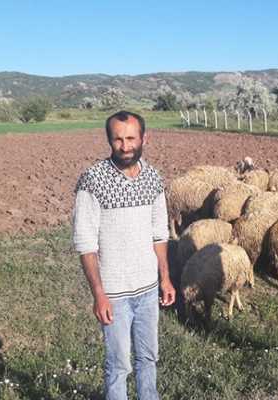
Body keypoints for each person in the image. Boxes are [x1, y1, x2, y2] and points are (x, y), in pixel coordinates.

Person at [73, 110, 175, 399]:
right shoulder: (92, 181)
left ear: (144, 138)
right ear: (109, 140)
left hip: (148, 289)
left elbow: (159, 233)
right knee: (118, 366)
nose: (125, 146)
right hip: (114, 294)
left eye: (131, 138)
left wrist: (165, 278)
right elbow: (85, 242)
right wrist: (99, 293)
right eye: (118, 139)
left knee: (148, 359)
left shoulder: (153, 178)